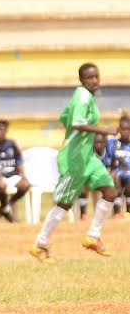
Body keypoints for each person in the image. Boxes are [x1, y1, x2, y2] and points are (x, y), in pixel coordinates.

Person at [31, 63, 120, 261]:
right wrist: (105, 131)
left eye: (96, 76)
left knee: (110, 191)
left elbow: (65, 117)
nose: (94, 80)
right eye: (89, 77)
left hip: (87, 157)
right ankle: (40, 244)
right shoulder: (82, 96)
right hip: (74, 159)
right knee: (64, 204)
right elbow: (77, 123)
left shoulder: (84, 97)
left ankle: (93, 237)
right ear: (81, 80)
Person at [0, 120, 30, 222]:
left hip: (12, 174)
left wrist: (23, 175)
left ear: (6, 131)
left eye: (2, 130)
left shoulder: (12, 144)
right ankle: (4, 206)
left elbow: (19, 161)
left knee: (25, 185)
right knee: (1, 185)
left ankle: (7, 206)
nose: (0, 132)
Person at [103, 114, 130, 212]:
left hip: (129, 174)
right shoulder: (113, 143)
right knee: (115, 179)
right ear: (119, 129)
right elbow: (99, 141)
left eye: (128, 129)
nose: (125, 131)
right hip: (117, 173)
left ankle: (128, 212)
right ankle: (116, 213)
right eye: (123, 129)